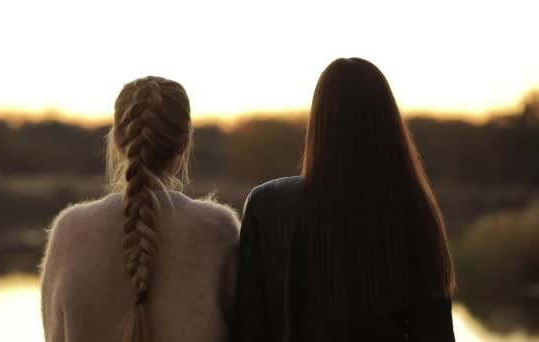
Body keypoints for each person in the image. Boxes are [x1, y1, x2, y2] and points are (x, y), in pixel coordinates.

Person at [230, 58, 456, 341]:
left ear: (318, 123)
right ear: (388, 124)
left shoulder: (267, 205)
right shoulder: (412, 211)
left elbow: (247, 330)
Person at [41, 76, 240, 342]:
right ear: (184, 144)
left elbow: (54, 336)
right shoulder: (217, 230)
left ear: (118, 140)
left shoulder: (70, 231)